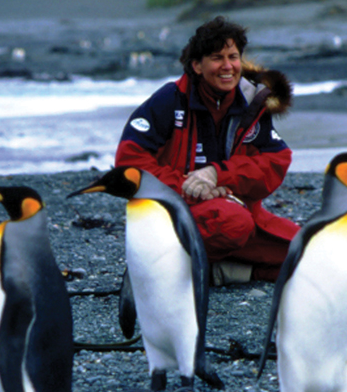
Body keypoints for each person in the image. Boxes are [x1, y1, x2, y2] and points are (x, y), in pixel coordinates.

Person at [115, 16, 300, 283]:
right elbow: (129, 161)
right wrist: (186, 186)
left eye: (233, 57)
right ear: (197, 66)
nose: (228, 66)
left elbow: (276, 160)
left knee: (307, 251)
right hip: (175, 214)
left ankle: (214, 271)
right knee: (232, 222)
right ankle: (162, 265)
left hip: (238, 212)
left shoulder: (251, 103)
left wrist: (218, 175)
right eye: (217, 58)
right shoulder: (170, 101)